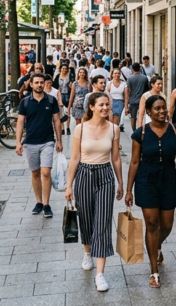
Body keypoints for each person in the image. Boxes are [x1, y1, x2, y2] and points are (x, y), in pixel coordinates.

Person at [125, 94, 176, 288]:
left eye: (164, 108)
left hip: (169, 179)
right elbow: (135, 162)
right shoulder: (141, 133)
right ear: (148, 112)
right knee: (152, 223)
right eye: (157, 109)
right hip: (146, 179)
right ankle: (154, 271)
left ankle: (156, 245)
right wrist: (129, 190)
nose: (162, 111)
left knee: (167, 225)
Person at [64, 93, 123, 292]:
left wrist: (121, 182)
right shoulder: (80, 128)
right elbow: (74, 158)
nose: (106, 108)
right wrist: (69, 185)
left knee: (103, 221)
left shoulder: (114, 129)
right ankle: (87, 252)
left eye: (108, 104)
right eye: (101, 105)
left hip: (106, 175)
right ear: (91, 107)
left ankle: (100, 274)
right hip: (84, 174)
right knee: (86, 218)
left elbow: (115, 158)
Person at [15, 73, 64, 218]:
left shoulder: (51, 100)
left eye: (41, 82)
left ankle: (47, 204)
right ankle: (39, 202)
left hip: (47, 141)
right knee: (35, 172)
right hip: (30, 142)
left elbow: (56, 120)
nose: (39, 85)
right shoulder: (24, 102)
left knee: (45, 172)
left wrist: (59, 140)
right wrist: (18, 142)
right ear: (31, 84)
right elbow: (20, 122)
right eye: (36, 82)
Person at [126, 63, 150, 130]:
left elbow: (128, 91)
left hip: (133, 100)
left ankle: (134, 131)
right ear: (140, 69)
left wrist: (126, 105)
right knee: (143, 116)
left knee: (133, 117)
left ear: (132, 69)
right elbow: (147, 89)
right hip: (143, 100)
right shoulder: (144, 78)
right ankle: (142, 129)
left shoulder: (130, 79)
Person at [54, 64, 74, 135]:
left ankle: (68, 127)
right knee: (61, 112)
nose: (64, 70)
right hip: (60, 95)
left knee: (68, 111)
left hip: (68, 95)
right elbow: (55, 85)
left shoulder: (70, 76)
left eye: (66, 68)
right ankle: (62, 128)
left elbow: (73, 85)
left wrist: (71, 87)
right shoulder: (57, 76)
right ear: (60, 69)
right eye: (63, 68)